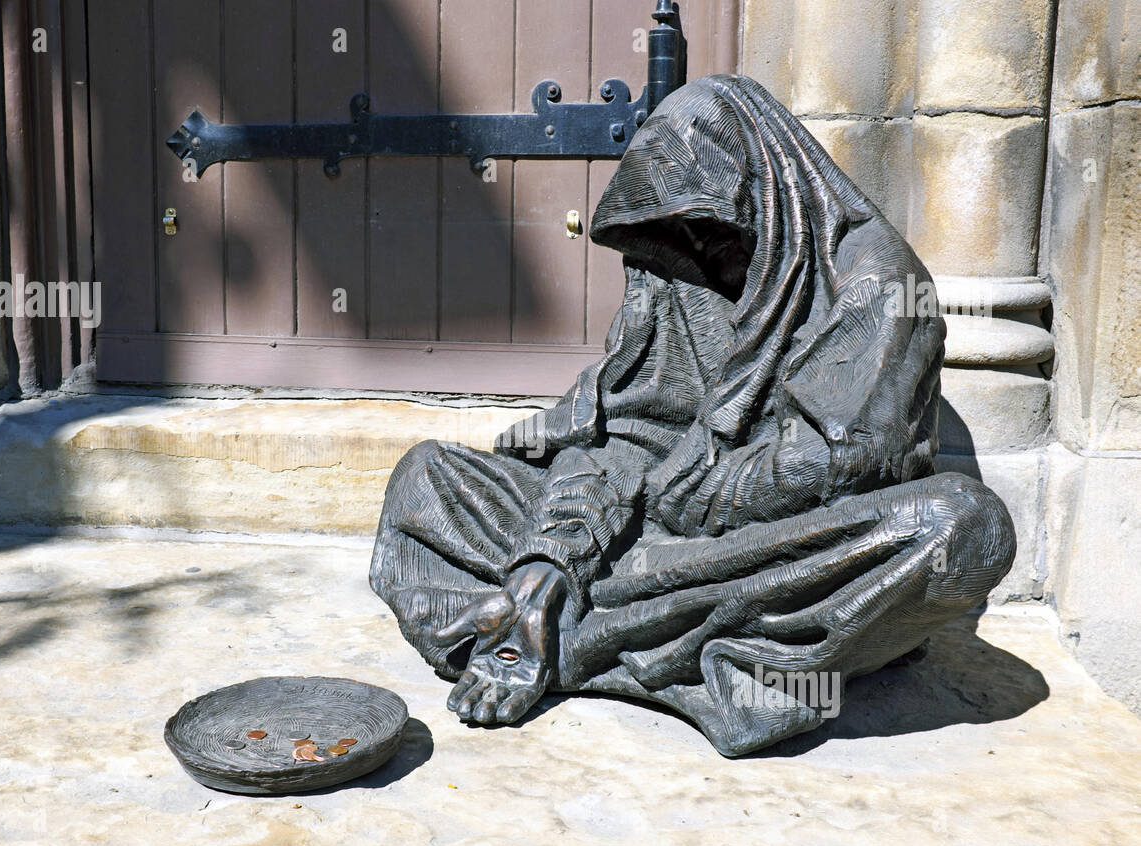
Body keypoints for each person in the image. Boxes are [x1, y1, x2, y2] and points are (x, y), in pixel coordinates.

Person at [369, 75, 1016, 756]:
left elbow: (837, 469)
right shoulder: (681, 266)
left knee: (959, 527)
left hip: (767, 553)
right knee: (425, 480)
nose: (699, 251)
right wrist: (552, 561)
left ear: (762, 188)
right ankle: (563, 616)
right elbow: (626, 434)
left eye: (710, 224)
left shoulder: (878, 284)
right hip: (654, 543)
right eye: (682, 231)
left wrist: (682, 492)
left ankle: (588, 638)